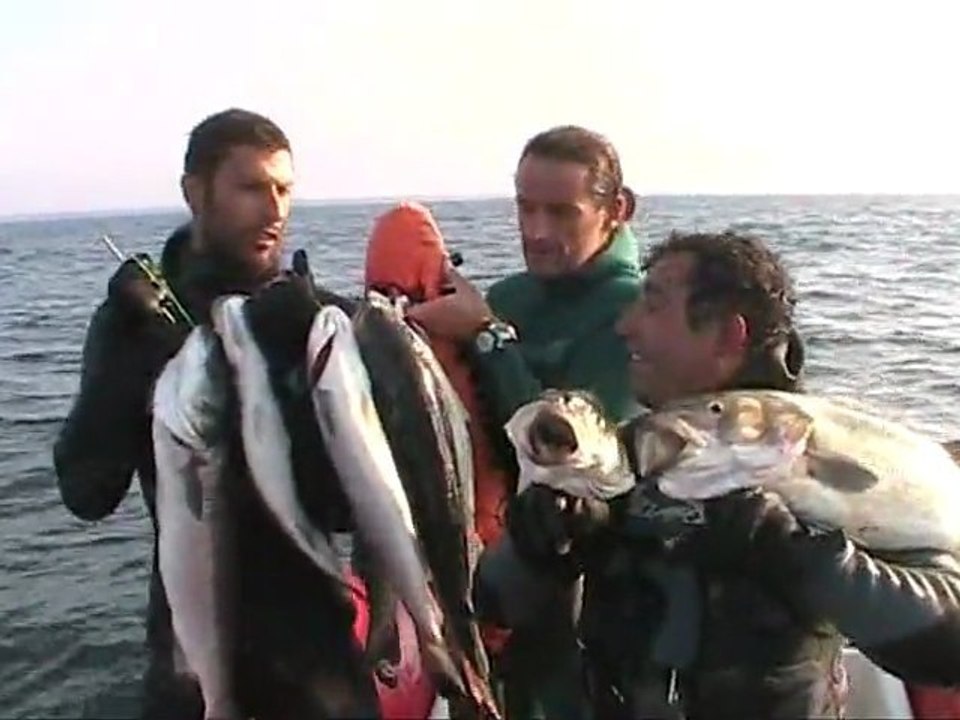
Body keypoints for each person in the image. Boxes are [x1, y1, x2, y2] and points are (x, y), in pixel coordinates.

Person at [474, 229, 960, 719]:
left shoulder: (824, 458)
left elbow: (947, 644)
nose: (625, 325)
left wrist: (793, 552)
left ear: (729, 336)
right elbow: (493, 603)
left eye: (653, 305)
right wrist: (537, 544)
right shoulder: (631, 453)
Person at [52, 108, 378, 719]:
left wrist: (299, 370)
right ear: (195, 192)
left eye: (284, 189)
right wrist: (130, 358)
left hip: (316, 662)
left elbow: (345, 509)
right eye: (251, 187)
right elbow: (86, 492)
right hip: (189, 660)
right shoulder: (137, 321)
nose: (274, 209)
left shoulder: (317, 322)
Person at [406, 125, 642, 719]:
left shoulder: (635, 314)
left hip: (583, 610)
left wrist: (489, 339)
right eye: (525, 207)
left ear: (617, 210)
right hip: (484, 588)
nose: (536, 231)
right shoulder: (510, 296)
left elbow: (575, 458)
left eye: (561, 212)